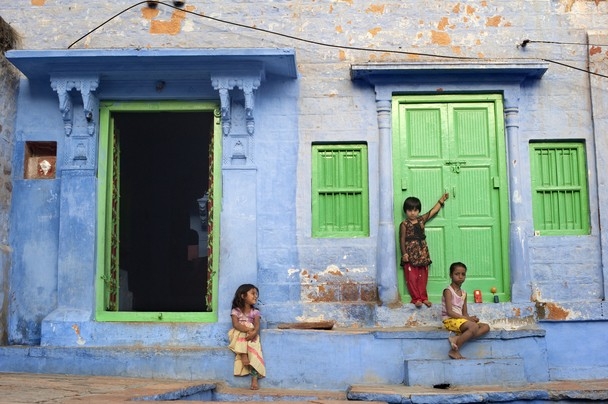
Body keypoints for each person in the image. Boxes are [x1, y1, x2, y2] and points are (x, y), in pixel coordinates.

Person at [399, 193, 449, 307]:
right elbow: (401, 239)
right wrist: (404, 253)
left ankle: (424, 298)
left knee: (423, 276)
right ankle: (416, 298)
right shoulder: (404, 224)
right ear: (405, 211)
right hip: (410, 254)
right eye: (410, 210)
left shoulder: (421, 220)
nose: (413, 213)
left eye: (416, 210)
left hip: (422, 252)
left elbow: (433, 211)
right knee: (412, 277)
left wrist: (441, 200)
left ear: (418, 211)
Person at [441, 262, 490, 359]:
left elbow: (464, 313)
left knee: (486, 327)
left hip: (460, 320)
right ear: (451, 275)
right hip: (450, 320)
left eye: (463, 274)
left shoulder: (464, 293)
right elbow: (450, 312)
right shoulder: (448, 291)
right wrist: (467, 320)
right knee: (473, 327)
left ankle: (457, 338)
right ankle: (454, 350)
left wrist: (470, 318)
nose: (460, 276)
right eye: (457, 274)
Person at [228, 284, 266, 390]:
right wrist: (248, 329)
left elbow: (257, 325)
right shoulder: (236, 311)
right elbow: (236, 324)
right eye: (252, 293)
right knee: (242, 330)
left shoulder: (255, 312)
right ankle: (243, 354)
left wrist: (254, 332)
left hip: (251, 335)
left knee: (255, 352)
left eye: (256, 294)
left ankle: (254, 379)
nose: (255, 296)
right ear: (243, 296)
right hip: (238, 334)